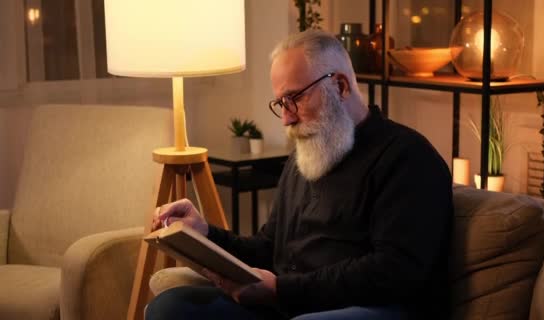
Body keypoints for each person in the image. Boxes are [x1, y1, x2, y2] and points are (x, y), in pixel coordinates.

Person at [146, 29, 453, 320]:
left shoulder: (407, 157)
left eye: (295, 98)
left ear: (341, 86)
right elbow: (268, 248)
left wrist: (280, 290)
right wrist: (205, 234)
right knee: (170, 307)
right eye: (281, 103)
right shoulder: (306, 155)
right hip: (288, 304)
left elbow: (394, 271)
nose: (286, 118)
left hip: (364, 309)